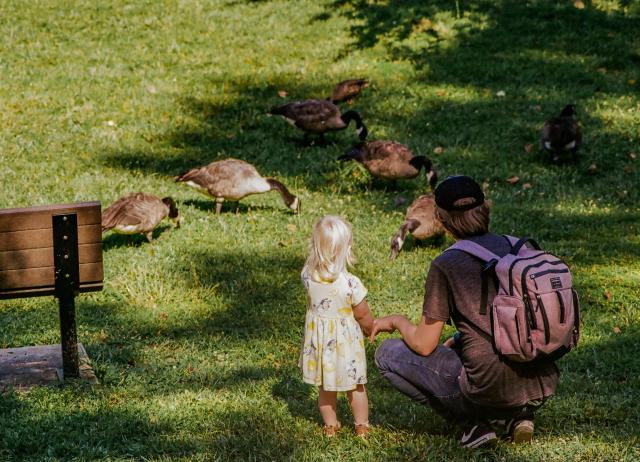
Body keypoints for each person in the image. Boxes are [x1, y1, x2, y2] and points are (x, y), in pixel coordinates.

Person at [370, 175, 559, 448]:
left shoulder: (447, 264)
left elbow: (424, 345)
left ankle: (472, 424)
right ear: (485, 210)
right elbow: (509, 319)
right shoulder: (521, 247)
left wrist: (398, 321)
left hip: (488, 387)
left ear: (442, 220)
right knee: (465, 349)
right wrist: (459, 341)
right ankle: (514, 416)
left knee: (386, 354)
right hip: (540, 383)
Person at [299, 215, 375, 438]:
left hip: (321, 344)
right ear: (344, 250)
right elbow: (362, 313)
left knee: (325, 388)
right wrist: (371, 328)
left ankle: (330, 426)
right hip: (346, 345)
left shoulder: (307, 276)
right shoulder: (351, 283)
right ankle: (361, 425)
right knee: (356, 387)